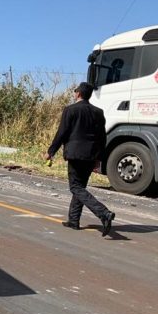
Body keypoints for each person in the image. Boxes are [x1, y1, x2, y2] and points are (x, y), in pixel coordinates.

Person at [44, 82, 115, 236]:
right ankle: (73, 220)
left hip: (75, 154)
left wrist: (51, 151)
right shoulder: (98, 112)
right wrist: (99, 158)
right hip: (91, 155)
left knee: (75, 187)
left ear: (78, 94)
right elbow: (103, 138)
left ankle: (103, 212)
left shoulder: (71, 110)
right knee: (80, 186)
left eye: (75, 91)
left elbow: (62, 132)